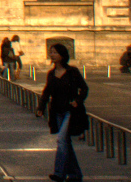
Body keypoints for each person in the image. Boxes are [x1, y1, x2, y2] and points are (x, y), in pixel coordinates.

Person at [36, 42, 89, 182]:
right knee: (66, 143)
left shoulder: (72, 72)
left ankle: (59, 173)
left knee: (61, 140)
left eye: (54, 52)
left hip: (70, 111)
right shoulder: (51, 73)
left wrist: (77, 100)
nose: (51, 55)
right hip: (57, 111)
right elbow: (46, 92)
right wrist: (40, 107)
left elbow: (84, 88)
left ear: (62, 55)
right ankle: (75, 174)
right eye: (51, 52)